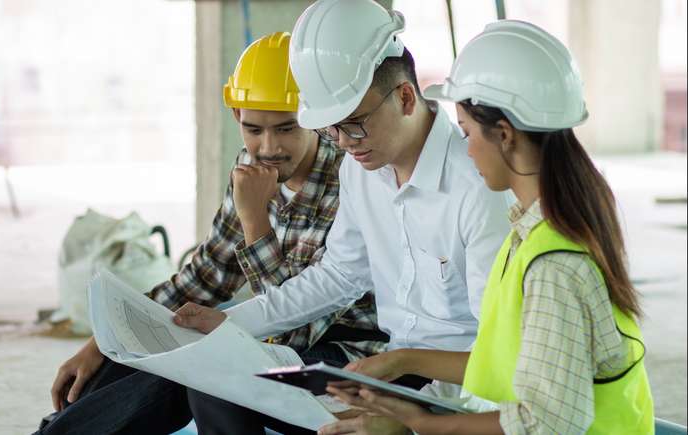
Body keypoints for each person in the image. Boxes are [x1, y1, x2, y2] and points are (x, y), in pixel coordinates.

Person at [38, 32, 387, 435]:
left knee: (202, 370)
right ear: (237, 116)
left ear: (315, 118)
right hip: (275, 339)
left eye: (287, 129)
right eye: (253, 129)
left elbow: (294, 326)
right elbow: (206, 276)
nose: (268, 147)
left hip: (345, 352)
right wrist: (101, 344)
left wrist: (255, 221)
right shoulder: (250, 167)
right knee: (127, 358)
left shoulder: (349, 180)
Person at [184, 1, 510, 433]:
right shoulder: (361, 168)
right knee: (213, 380)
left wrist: (407, 420)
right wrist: (233, 321)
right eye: (330, 129)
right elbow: (338, 275)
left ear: (406, 97)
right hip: (388, 373)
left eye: (353, 124)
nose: (343, 142)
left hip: (453, 387)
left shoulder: (477, 187)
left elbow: (500, 356)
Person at [320, 20, 655, 435]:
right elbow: (503, 363)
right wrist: (402, 362)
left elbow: (549, 423)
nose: (466, 149)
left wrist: (418, 427)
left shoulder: (554, 265)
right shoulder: (535, 233)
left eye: (466, 132)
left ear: (505, 135)